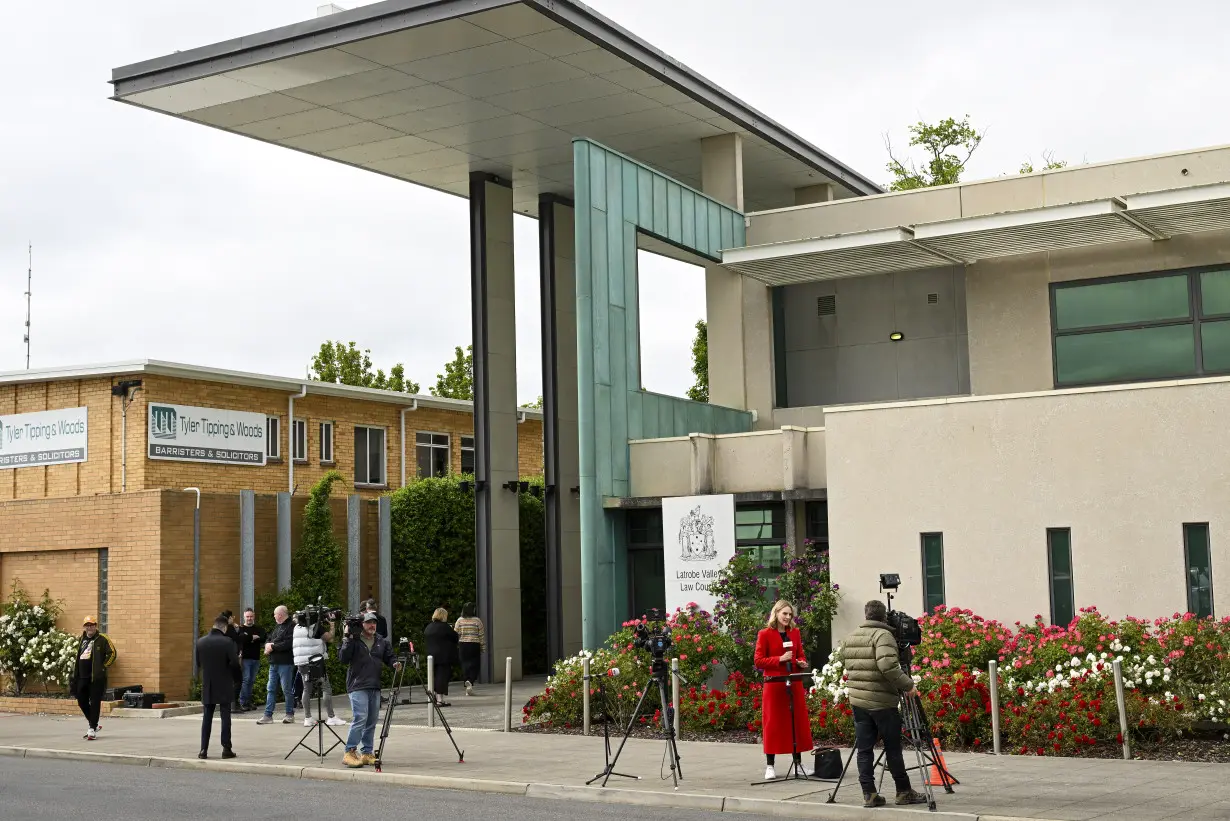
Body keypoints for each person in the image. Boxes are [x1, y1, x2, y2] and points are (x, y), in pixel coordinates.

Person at [842, 599, 928, 808]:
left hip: (859, 702)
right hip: (882, 702)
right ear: (883, 617)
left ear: (867, 614)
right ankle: (903, 791)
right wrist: (908, 685)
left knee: (864, 749)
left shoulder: (852, 636)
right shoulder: (883, 635)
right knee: (893, 748)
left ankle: (869, 794)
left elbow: (848, 663)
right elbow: (888, 666)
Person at [753, 600, 814, 779]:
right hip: (774, 685)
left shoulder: (795, 633)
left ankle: (798, 764)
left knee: (796, 723)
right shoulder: (764, 634)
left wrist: (801, 662)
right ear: (776, 613)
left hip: (793, 682)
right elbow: (758, 661)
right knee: (772, 724)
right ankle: (770, 766)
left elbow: (800, 654)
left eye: (790, 615)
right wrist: (779, 659)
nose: (787, 617)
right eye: (784, 614)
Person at [339, 611, 400, 767]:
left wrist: (395, 663)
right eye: (368, 623)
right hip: (357, 684)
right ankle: (349, 752)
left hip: (374, 685)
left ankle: (366, 752)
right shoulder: (354, 640)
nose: (372, 625)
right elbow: (343, 658)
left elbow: (389, 657)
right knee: (360, 718)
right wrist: (348, 638)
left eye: (374, 623)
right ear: (361, 625)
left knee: (371, 720)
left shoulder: (381, 641)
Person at [196, 614, 241, 759]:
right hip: (224, 683)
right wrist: (237, 679)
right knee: (225, 717)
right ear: (224, 627)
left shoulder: (200, 642)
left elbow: (198, 664)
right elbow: (234, 663)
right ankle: (226, 748)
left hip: (208, 683)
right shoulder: (227, 642)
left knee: (207, 717)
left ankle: (203, 749)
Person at [292, 610, 346, 727]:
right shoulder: (316, 627)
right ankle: (331, 717)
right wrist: (332, 625)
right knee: (326, 688)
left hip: (301, 663)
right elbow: (330, 638)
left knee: (307, 689)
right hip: (315, 663)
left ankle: (308, 718)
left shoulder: (296, 628)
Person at [71, 616, 115, 741]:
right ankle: (94, 724)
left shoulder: (102, 639)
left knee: (95, 703)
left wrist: (103, 667)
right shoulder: (82, 639)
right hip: (82, 677)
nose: (89, 627)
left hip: (96, 678)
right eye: (87, 625)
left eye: (91, 625)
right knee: (81, 701)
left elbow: (113, 653)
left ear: (96, 626)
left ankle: (91, 729)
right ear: (84, 627)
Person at [256, 605, 296, 724]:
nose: (274, 616)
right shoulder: (277, 626)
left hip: (285, 663)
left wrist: (272, 646)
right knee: (271, 689)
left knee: (286, 689)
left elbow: (288, 643)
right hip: (273, 663)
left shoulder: (292, 626)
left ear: (281, 614)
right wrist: (268, 645)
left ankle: (289, 714)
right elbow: (269, 639)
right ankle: (268, 715)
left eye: (275, 614)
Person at [424, 607, 459, 706]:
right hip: (444, 656)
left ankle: (433, 697)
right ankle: (440, 700)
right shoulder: (445, 627)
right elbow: (455, 637)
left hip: (431, 656)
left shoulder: (429, 627)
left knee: (433, 677)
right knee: (442, 677)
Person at [236, 608, 266, 711]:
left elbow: (263, 637)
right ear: (244, 617)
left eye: (251, 616)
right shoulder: (240, 629)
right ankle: (243, 702)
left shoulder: (258, 628)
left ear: (254, 617)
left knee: (251, 681)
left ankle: (248, 702)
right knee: (246, 679)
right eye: (247, 616)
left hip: (256, 658)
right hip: (245, 658)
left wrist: (249, 637)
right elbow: (240, 639)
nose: (249, 618)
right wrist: (252, 637)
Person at [454, 602, 486, 696]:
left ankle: (467, 681)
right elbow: (481, 635)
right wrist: (483, 647)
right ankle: (470, 681)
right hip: (474, 644)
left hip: (463, 645)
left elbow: (456, 634)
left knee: (464, 664)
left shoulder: (459, 620)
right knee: (475, 665)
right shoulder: (477, 621)